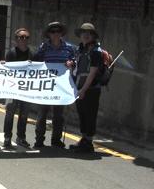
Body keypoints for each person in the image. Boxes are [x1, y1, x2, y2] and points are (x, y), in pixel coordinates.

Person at [33, 22, 75, 148]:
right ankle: (39, 139)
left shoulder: (69, 48)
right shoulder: (43, 47)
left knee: (58, 115)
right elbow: (36, 61)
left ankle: (56, 139)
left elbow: (75, 61)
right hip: (46, 85)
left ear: (61, 33)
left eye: (58, 31)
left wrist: (71, 63)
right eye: (53, 32)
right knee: (42, 114)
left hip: (61, 86)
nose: (55, 34)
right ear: (49, 34)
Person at [70, 23, 103, 153]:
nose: (85, 35)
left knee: (90, 114)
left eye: (88, 33)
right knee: (82, 113)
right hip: (79, 87)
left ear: (93, 36)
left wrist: (83, 90)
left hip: (91, 89)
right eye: (83, 32)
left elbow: (93, 72)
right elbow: (77, 67)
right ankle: (84, 139)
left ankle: (88, 142)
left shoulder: (96, 52)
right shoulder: (81, 49)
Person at [3, 28, 33, 148]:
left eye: (26, 37)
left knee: (24, 114)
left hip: (27, 89)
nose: (24, 39)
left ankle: (21, 137)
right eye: (21, 37)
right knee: (10, 113)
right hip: (12, 89)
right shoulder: (11, 53)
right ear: (16, 39)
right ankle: (7, 138)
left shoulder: (33, 53)